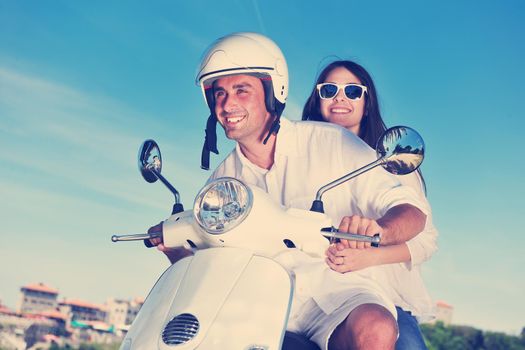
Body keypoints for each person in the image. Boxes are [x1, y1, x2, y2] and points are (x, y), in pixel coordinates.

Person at [153, 32, 431, 350]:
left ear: (274, 91)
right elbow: (211, 264)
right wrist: (177, 252)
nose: (227, 104)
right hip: (263, 306)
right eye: (218, 94)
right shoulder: (220, 184)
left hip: (340, 291)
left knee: (377, 329)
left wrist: (378, 230)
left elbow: (410, 211)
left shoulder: (333, 143)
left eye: (241, 90)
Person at [302, 60, 437, 349]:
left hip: (382, 295)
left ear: (367, 101)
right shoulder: (295, 155)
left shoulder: (392, 160)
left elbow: (425, 241)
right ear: (318, 98)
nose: (340, 97)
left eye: (352, 91)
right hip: (306, 296)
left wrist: (369, 256)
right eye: (329, 90)